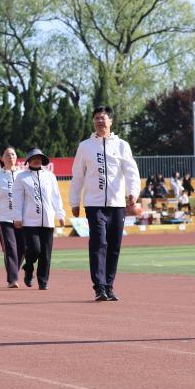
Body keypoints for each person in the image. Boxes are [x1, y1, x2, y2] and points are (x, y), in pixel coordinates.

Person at [69, 105, 141, 302]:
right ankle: (99, 286)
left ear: (111, 121)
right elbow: (77, 176)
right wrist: (74, 201)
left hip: (117, 204)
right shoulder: (85, 146)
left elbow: (131, 172)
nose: (100, 121)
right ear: (93, 122)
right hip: (94, 204)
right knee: (98, 242)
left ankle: (109, 285)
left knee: (114, 245)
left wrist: (133, 193)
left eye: (103, 118)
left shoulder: (122, 145)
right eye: (96, 118)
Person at [14, 149, 65, 290]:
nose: (37, 160)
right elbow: (17, 199)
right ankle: (29, 266)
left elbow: (56, 196)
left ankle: (43, 281)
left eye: (39, 157)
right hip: (30, 221)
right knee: (34, 249)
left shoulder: (50, 176)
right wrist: (17, 217)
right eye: (33, 158)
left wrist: (60, 214)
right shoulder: (21, 177)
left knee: (46, 253)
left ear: (43, 160)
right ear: (28, 161)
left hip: (47, 220)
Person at [0, 147, 25, 288]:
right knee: (10, 247)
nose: (11, 157)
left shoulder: (23, 175)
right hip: (3, 218)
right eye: (7, 154)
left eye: (13, 154)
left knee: (22, 248)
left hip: (21, 218)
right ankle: (13, 279)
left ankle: (13, 270)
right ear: (2, 158)